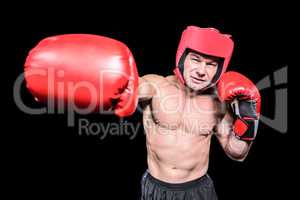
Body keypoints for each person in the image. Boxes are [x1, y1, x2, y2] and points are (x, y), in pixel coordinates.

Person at [24, 26, 261, 200]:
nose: (201, 70)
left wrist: (249, 117)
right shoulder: (155, 86)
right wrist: (76, 78)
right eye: (196, 60)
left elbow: (238, 153)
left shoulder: (219, 104)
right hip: (155, 188)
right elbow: (128, 90)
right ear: (182, 58)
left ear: (220, 69)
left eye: (211, 64)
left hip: (199, 190)